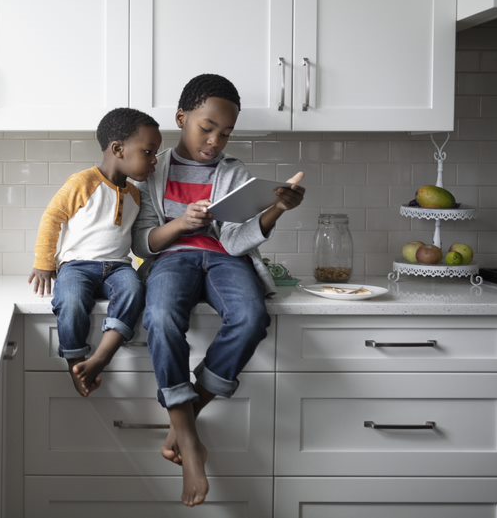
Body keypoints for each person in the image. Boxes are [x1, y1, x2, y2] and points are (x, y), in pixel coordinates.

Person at [131, 73, 305, 507]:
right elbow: (142, 243)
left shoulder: (235, 173)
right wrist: (181, 224)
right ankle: (191, 445)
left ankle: (184, 423)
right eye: (206, 128)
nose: (214, 140)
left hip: (226, 259)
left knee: (250, 317)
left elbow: (237, 239)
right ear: (181, 117)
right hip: (173, 258)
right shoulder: (154, 170)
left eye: (224, 133)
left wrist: (278, 208)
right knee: (160, 318)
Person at [29, 108, 162, 397]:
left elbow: (138, 239)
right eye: (149, 152)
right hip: (77, 265)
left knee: (133, 290)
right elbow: (52, 218)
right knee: (71, 300)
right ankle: (76, 363)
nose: (154, 161)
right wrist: (44, 263)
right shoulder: (83, 183)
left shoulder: (137, 195)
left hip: (118, 266)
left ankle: (101, 357)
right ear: (118, 149)